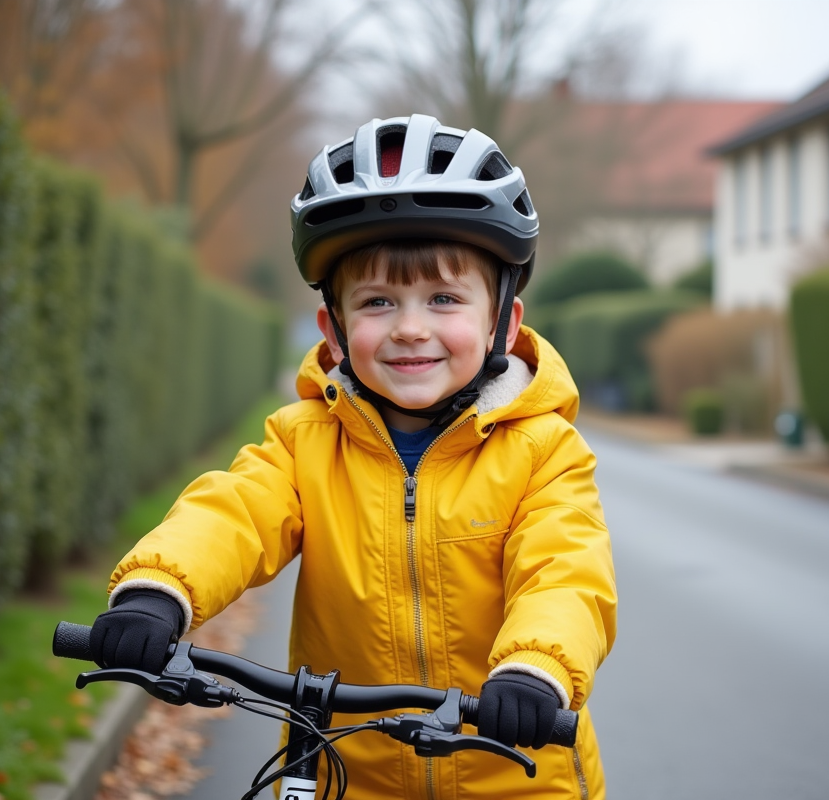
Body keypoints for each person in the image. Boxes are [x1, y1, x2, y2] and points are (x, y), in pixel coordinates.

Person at [89, 114, 617, 799]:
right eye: (376, 302)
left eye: (444, 298)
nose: (409, 328)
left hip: (514, 769)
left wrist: (535, 668)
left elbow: (566, 574)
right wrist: (158, 591)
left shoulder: (545, 452)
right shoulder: (305, 443)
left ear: (502, 323)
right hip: (341, 770)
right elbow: (232, 513)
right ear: (334, 333)